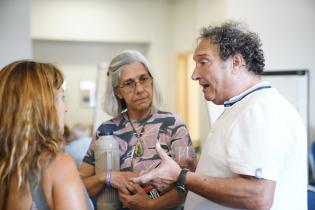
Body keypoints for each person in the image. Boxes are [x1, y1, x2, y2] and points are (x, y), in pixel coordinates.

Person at [132, 21, 307, 210]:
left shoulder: (260, 109)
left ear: (236, 62)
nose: (194, 74)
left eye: (203, 62)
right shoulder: (242, 107)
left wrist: (181, 177)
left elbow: (258, 196)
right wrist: (199, 169)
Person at [80, 50, 196, 210]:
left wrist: (151, 205)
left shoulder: (173, 124)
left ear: (152, 80)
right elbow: (80, 185)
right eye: (129, 83)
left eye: (144, 79)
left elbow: (189, 184)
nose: (140, 89)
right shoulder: (106, 131)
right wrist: (107, 177)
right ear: (117, 92)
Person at [0, 60, 93, 210]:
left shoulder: (6, 167)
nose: (66, 108)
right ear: (43, 107)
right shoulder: (58, 166)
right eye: (62, 98)